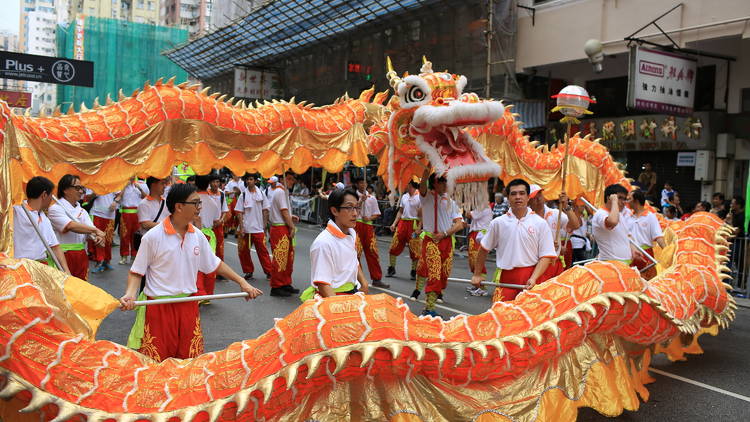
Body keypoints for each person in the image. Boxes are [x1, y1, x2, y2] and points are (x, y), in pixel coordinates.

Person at [119, 184, 262, 361]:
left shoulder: (198, 236)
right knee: (157, 365)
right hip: (159, 309)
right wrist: (130, 295)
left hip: (188, 306)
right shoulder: (153, 237)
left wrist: (243, 282)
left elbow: (215, 264)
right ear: (179, 206)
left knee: (188, 362)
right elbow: (136, 272)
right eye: (195, 203)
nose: (199, 208)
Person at [471, 179, 556, 303]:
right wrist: (477, 274)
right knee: (500, 317)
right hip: (506, 279)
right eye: (513, 194)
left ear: (528, 197)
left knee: (529, 320)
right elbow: (484, 249)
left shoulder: (540, 223)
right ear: (508, 198)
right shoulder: (498, 223)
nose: (518, 197)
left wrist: (533, 278)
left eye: (522, 193)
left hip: (531, 280)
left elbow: (546, 256)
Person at [300, 189, 370, 301]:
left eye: (356, 207)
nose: (355, 213)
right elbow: (323, 284)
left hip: (352, 295)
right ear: (334, 211)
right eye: (349, 207)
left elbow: (353, 262)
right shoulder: (323, 243)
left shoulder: (351, 234)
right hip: (332, 299)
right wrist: (339, 307)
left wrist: (364, 283)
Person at [411, 169, 464, 316]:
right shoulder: (426, 196)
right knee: (432, 271)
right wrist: (428, 166)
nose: (446, 185)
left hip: (446, 241)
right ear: (436, 183)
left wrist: (445, 234)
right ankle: (429, 308)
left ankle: (429, 298)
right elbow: (422, 184)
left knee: (443, 274)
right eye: (443, 182)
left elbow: (459, 224)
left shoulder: (451, 202)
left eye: (446, 182)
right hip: (431, 241)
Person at [48, 174, 105, 280]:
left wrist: (97, 237)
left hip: (81, 255)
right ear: (65, 190)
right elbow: (70, 226)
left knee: (81, 289)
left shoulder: (82, 211)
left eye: (82, 188)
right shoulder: (55, 209)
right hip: (63, 255)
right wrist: (96, 230)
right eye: (77, 188)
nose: (81, 191)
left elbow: (90, 231)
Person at [13, 176, 70, 274]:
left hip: (41, 268)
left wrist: (66, 270)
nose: (51, 200)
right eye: (51, 196)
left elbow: (55, 247)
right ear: (44, 195)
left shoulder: (44, 218)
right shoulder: (15, 211)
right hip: (20, 269)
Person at [528, 185, 580, 277]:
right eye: (534, 197)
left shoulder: (555, 213)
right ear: (529, 201)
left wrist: (566, 206)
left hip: (554, 264)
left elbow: (575, 225)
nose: (538, 198)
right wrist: (548, 246)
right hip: (534, 265)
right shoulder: (525, 218)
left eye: (540, 194)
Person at [352, 177, 389, 288]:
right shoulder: (353, 197)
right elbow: (351, 209)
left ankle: (376, 278)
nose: (363, 184)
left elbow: (377, 213)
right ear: (357, 184)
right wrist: (360, 201)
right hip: (356, 225)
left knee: (372, 251)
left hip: (368, 226)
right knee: (356, 252)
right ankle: (359, 278)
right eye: (360, 182)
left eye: (364, 182)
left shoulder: (372, 198)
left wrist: (369, 218)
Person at [236, 173, 273, 281]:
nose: (249, 181)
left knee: (263, 252)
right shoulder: (243, 195)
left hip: (258, 229)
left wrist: (264, 226)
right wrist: (242, 228)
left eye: (251, 179)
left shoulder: (261, 194)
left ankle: (269, 271)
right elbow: (239, 212)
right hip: (246, 229)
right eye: (247, 179)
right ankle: (248, 271)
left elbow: (266, 210)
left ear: (255, 181)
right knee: (244, 252)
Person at [268, 176, 300, 297]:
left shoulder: (282, 191)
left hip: (283, 226)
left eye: (293, 179)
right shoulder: (280, 191)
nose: (292, 181)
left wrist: (291, 218)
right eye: (290, 179)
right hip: (280, 228)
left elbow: (285, 212)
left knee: (288, 258)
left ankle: (285, 283)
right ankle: (276, 286)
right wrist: (292, 226)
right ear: (282, 180)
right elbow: (283, 211)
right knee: (280, 258)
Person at [387, 181, 421, 279]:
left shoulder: (420, 196)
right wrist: (394, 223)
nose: (404, 186)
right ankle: (391, 268)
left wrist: (419, 228)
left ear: (410, 185)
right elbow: (400, 212)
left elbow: (422, 215)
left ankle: (414, 271)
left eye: (406, 184)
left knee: (415, 249)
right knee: (394, 245)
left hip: (414, 224)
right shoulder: (404, 196)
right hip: (403, 223)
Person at [628, 190, 666, 279]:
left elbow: (658, 237)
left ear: (636, 201)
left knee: (647, 282)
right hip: (630, 254)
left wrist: (667, 251)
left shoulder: (650, 216)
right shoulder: (628, 217)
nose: (627, 201)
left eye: (629, 199)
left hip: (645, 254)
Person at [591, 184, 634, 264]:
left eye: (624, 199)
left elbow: (627, 236)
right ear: (609, 198)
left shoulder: (619, 215)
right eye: (620, 198)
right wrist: (614, 201)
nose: (623, 202)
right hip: (610, 264)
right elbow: (613, 222)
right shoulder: (600, 213)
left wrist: (633, 250)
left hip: (624, 264)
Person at [90, 189, 123, 273]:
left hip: (110, 215)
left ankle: (106, 261)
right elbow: (87, 197)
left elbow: (120, 194)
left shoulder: (112, 182)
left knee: (108, 240)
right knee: (99, 238)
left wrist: (115, 201)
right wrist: (94, 193)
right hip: (97, 213)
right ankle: (99, 262)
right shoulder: (95, 183)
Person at [118, 177, 148, 264]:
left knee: (136, 236)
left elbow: (146, 198)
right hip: (126, 214)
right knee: (124, 235)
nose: (131, 177)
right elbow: (118, 197)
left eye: (133, 175)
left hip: (137, 214)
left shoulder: (140, 185)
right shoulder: (122, 185)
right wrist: (124, 186)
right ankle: (124, 256)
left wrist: (139, 188)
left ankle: (134, 256)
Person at [466, 202, 493, 296]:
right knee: (473, 260)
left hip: (479, 235)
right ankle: (477, 285)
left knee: (477, 260)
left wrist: (466, 206)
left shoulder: (483, 205)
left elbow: (469, 215)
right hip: (476, 234)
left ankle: (482, 288)